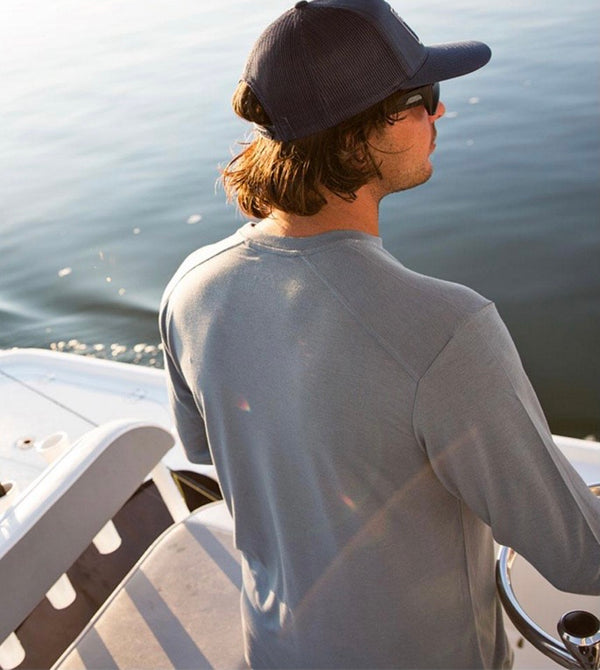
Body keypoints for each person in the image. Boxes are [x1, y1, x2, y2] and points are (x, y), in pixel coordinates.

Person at [159, 1, 600, 668]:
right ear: (355, 136)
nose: (440, 112)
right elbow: (581, 554)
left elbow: (204, 448)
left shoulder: (191, 285)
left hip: (275, 650)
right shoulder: (448, 330)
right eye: (423, 97)